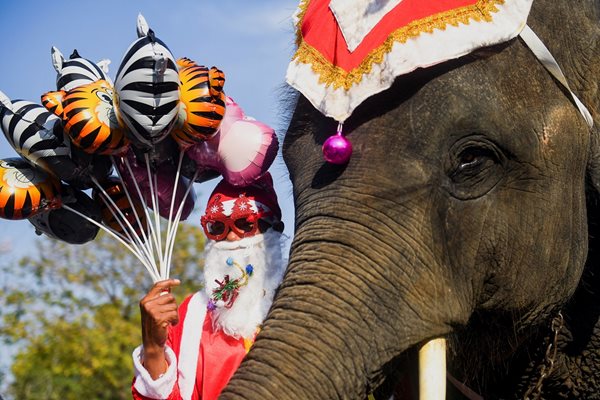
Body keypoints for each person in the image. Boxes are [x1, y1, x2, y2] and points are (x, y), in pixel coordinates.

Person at [131, 172, 286, 400]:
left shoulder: (299, 301)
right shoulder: (191, 312)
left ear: (272, 228)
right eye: (217, 228)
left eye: (245, 224)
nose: (232, 237)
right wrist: (153, 347)